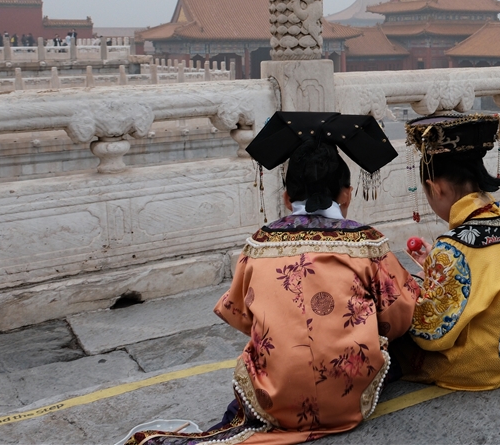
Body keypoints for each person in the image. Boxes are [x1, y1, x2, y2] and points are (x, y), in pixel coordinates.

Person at [125, 112, 418, 445]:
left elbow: (238, 313)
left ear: (287, 198)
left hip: (273, 396)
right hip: (348, 399)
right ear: (347, 194)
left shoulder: (260, 243)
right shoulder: (368, 244)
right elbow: (401, 314)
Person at [395, 112, 500, 390]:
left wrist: (412, 288)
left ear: (435, 187)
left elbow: (431, 334)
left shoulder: (454, 248)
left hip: (480, 368)